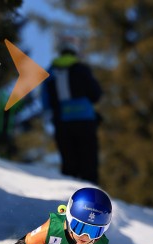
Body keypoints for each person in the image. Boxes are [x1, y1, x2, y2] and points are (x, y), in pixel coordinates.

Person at [42, 36, 103, 184]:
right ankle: (91, 197)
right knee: (88, 161)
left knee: (69, 162)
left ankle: (67, 196)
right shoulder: (82, 69)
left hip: (62, 122)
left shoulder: (50, 72)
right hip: (85, 119)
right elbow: (96, 94)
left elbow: (45, 100)